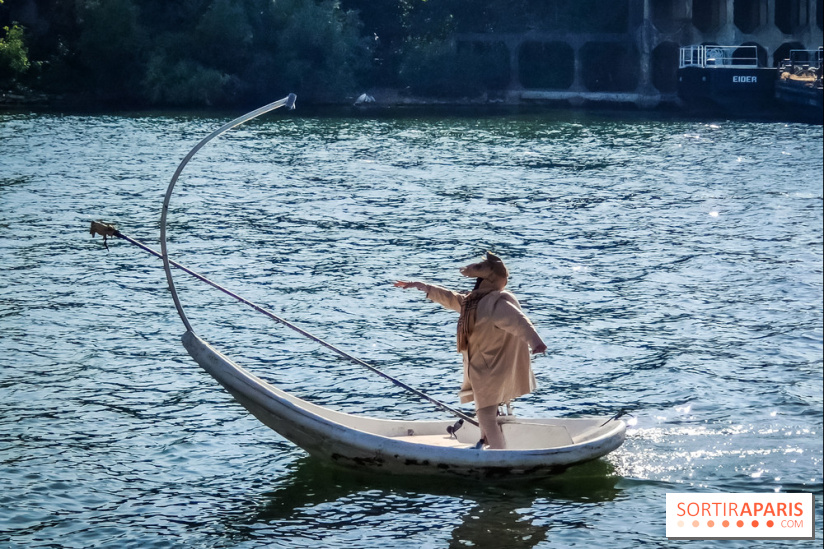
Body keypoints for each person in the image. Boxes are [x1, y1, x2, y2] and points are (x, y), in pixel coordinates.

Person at [394, 252, 547, 449]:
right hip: (481, 366)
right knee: (485, 411)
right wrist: (423, 286)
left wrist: (536, 342)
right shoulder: (472, 303)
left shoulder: (497, 303)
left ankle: (499, 455)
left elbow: (519, 321)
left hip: (493, 367)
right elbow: (450, 298)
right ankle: (486, 443)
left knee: (485, 413)